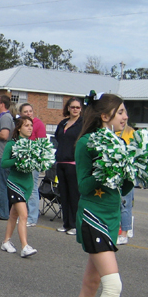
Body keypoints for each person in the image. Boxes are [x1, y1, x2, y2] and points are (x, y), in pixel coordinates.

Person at [63, 94, 133, 297]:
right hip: (92, 218)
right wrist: (107, 169)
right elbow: (84, 185)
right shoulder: (85, 143)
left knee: (92, 283)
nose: (125, 117)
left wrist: (131, 172)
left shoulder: (119, 142)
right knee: (112, 285)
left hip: (110, 217)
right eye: (120, 113)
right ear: (105, 116)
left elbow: (123, 189)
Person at [0, 116, 38, 257]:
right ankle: (24, 247)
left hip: (28, 184)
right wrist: (18, 159)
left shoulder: (32, 144)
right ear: (19, 128)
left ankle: (6, 241)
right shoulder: (12, 144)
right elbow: (4, 163)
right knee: (24, 215)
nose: (30, 128)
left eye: (31, 125)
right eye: (26, 125)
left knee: (13, 214)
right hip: (15, 183)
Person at [54, 97, 84, 234]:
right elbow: (58, 138)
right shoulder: (62, 123)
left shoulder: (82, 124)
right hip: (61, 163)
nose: (75, 110)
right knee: (64, 195)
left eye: (78, 107)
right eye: (72, 107)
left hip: (73, 164)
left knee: (74, 195)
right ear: (68, 108)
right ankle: (66, 223)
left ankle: (75, 225)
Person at [19, 103, 48, 226]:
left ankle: (32, 218)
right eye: (25, 111)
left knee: (32, 188)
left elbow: (42, 143)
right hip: (21, 158)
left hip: (33, 160)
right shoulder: (19, 124)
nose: (29, 113)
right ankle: (23, 215)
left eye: (30, 111)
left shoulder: (38, 124)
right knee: (22, 188)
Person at [116, 125, 136, 245]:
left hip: (126, 173)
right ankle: (122, 229)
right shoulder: (110, 130)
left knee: (125, 204)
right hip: (114, 173)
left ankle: (124, 233)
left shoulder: (130, 132)